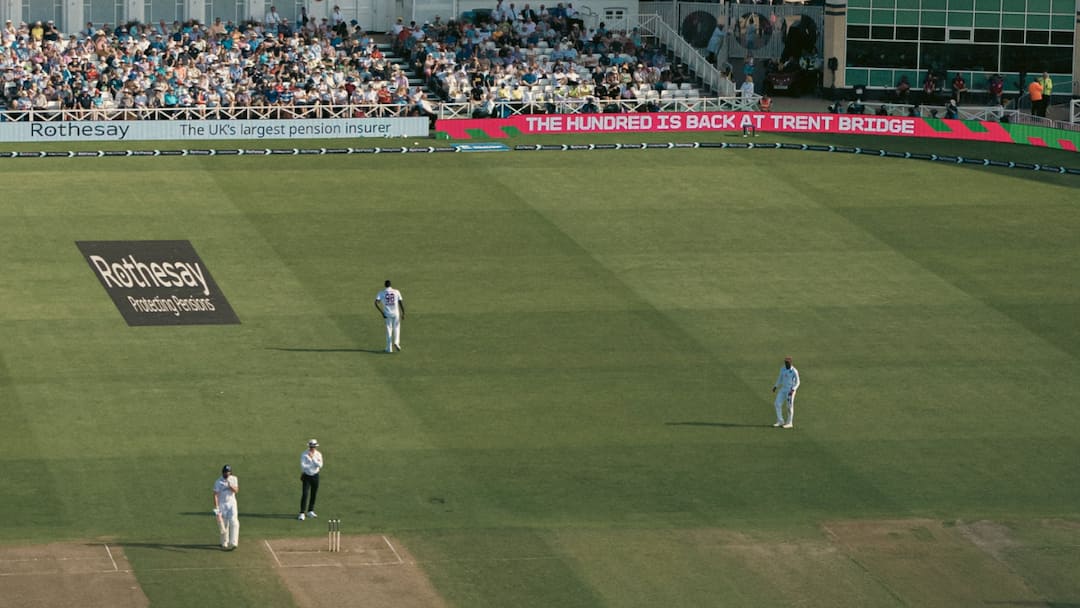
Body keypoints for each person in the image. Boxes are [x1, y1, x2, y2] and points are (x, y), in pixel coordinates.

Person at [212, 465, 239, 550]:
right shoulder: (218, 482)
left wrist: (230, 485)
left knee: (234, 521)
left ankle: (234, 542)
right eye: (225, 472)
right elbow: (215, 495)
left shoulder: (234, 479)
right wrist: (217, 508)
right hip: (222, 504)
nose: (227, 474)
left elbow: (236, 490)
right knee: (224, 524)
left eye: (228, 472)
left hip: (232, 503)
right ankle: (224, 542)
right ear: (223, 472)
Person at [374, 279, 405, 353]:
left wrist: (382, 313)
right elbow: (400, 302)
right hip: (396, 314)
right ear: (390, 285)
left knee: (389, 330)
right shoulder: (396, 291)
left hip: (387, 314)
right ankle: (396, 343)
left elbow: (376, 303)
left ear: (385, 285)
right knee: (397, 328)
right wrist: (403, 313)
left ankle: (389, 348)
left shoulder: (381, 293)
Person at [771, 356, 800, 428]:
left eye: (787, 363)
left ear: (790, 363)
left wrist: (793, 389)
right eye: (785, 363)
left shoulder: (794, 371)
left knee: (789, 407)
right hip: (783, 389)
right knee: (777, 403)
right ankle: (780, 421)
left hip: (790, 390)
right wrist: (775, 386)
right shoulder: (782, 369)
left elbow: (798, 382)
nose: (786, 364)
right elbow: (780, 378)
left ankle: (790, 423)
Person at [298, 439, 323, 521]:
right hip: (306, 476)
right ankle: (302, 512)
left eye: (314, 447)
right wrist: (312, 465)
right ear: (309, 446)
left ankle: (310, 511)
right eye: (311, 446)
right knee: (305, 494)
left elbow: (320, 465)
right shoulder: (304, 454)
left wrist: (312, 459)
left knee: (313, 493)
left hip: (315, 476)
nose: (312, 448)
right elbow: (303, 466)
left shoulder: (318, 454)